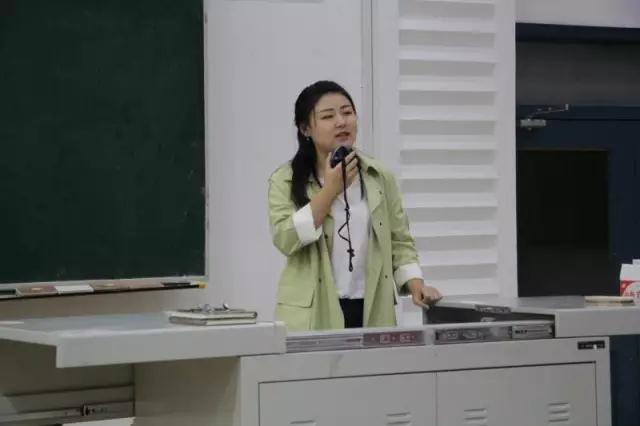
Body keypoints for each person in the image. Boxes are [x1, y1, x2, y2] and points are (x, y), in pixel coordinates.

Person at [268, 80, 441, 331]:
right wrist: (330, 190)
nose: (341, 122)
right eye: (328, 116)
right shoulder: (284, 180)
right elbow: (286, 239)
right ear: (305, 128)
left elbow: (399, 240)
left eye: (347, 112)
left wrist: (416, 284)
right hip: (313, 314)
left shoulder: (378, 176)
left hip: (372, 308)